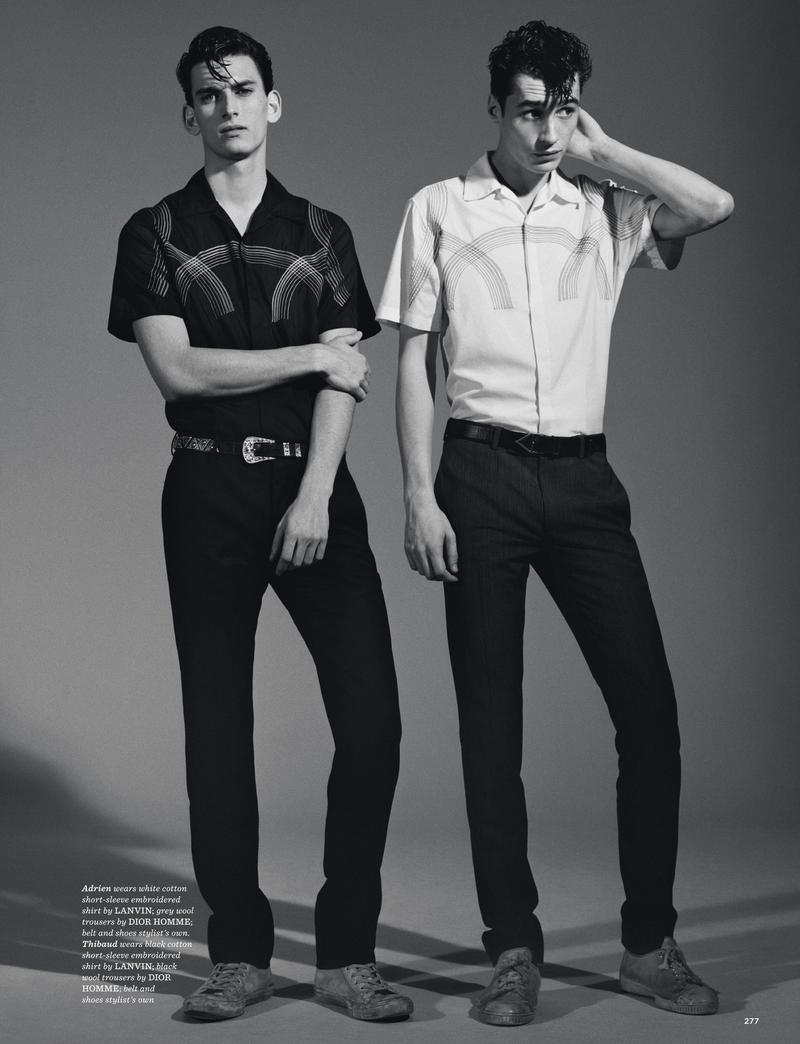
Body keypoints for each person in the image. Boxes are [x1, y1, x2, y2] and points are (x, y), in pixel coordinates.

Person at [378, 18, 732, 1027]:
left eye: (562, 111)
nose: (544, 132)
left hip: (584, 484)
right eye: (530, 111)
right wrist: (418, 494)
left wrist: (603, 149)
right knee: (491, 730)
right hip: (478, 475)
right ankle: (512, 951)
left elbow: (713, 205)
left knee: (649, 715)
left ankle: (647, 946)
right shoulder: (437, 208)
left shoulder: (605, 208)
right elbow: (413, 360)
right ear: (494, 107)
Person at [108, 25, 413, 1024]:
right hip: (205, 493)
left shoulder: (320, 231)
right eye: (209, 94)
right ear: (188, 112)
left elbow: (345, 380)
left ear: (271, 103)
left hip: (312, 484)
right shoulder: (155, 232)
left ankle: (347, 955)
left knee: (373, 725)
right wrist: (311, 353)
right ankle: (237, 955)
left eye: (242, 89)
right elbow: (178, 370)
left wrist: (317, 493)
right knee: (217, 731)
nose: (228, 106)